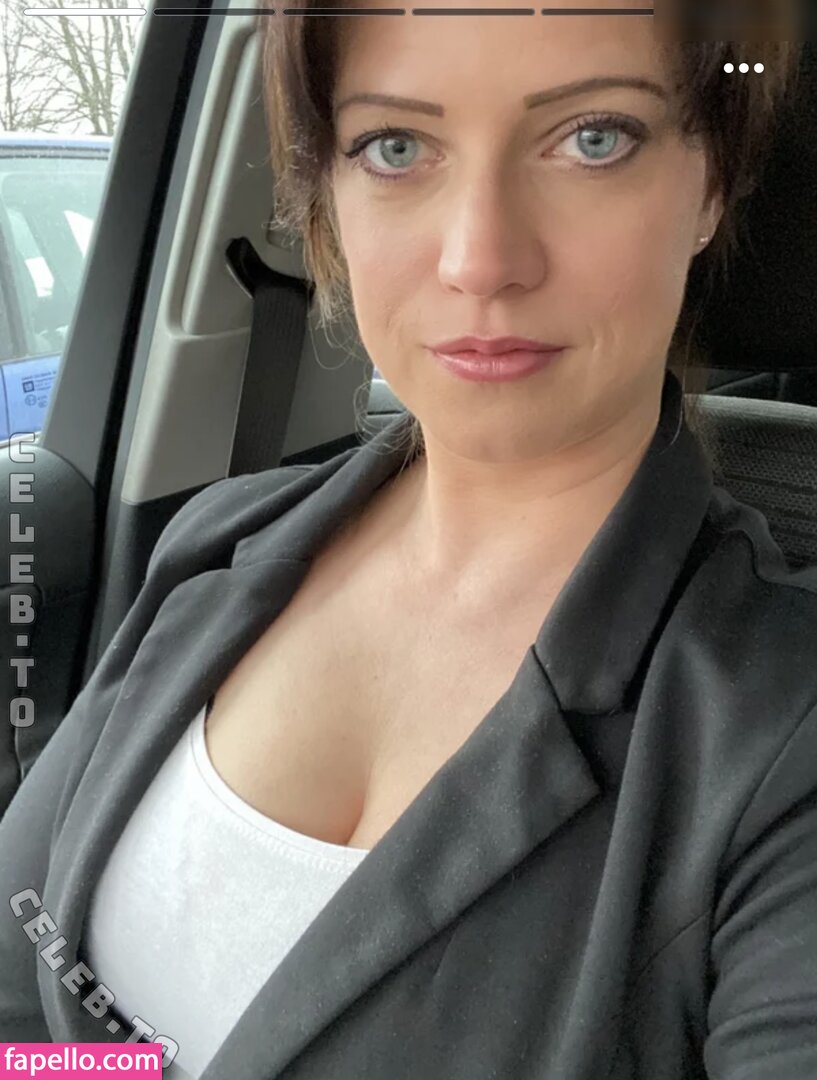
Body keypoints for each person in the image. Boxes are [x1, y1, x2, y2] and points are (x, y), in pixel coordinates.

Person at [1, 2, 814, 1077]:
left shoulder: (782, 731)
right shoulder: (218, 545)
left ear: (710, 184)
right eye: (395, 146)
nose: (479, 259)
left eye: (593, 138)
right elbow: (27, 1005)